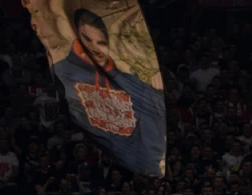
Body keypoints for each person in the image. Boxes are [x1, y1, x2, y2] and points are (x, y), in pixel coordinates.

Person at [51, 8, 166, 176]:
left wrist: (154, 91)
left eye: (101, 43)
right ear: (78, 38)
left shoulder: (131, 81)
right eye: (87, 39)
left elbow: (151, 129)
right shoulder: (63, 70)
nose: (94, 48)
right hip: (88, 159)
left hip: (131, 167)